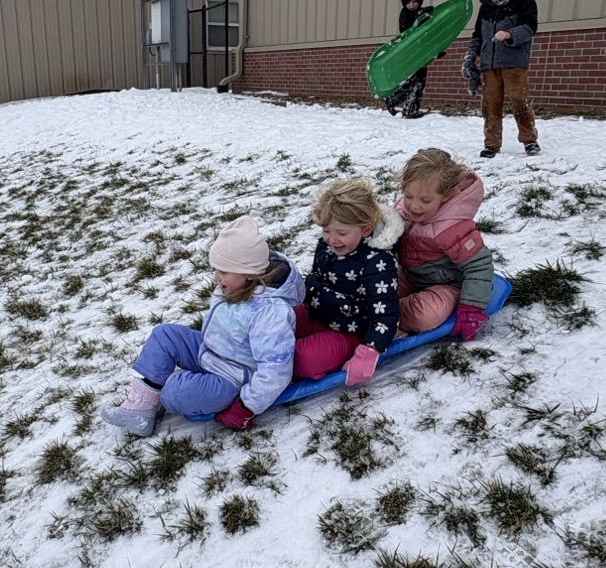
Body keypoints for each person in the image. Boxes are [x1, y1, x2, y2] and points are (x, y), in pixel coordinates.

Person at [100, 216, 305, 436]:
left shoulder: (270, 311)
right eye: (216, 269)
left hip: (232, 378)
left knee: (175, 392)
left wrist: (247, 406)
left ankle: (160, 391)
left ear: (249, 273)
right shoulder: (231, 287)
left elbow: (276, 369)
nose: (216, 277)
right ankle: (140, 409)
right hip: (211, 351)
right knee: (164, 335)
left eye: (223, 271)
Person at [294, 177, 404, 386]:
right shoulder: (328, 246)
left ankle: (269, 371)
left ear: (366, 230)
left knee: (304, 359)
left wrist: (368, 352)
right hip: (316, 313)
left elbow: (386, 315)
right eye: (326, 230)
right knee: (277, 323)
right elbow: (317, 278)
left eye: (341, 233)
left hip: (350, 331)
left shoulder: (378, 263)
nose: (332, 239)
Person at [395, 148, 494, 340]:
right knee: (369, 286)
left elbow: (479, 266)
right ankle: (368, 307)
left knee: (426, 316)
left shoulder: (453, 226)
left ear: (446, 196)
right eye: (408, 196)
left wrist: (471, 308)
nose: (414, 206)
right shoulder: (403, 211)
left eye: (425, 200)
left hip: (446, 285)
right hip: (410, 275)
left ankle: (384, 316)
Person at [461, 0, 540, 158]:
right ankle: (492, 142)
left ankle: (529, 139)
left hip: (514, 61)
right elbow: (478, 35)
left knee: (519, 100)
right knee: (490, 104)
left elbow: (530, 26)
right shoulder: (487, 5)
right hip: (489, 64)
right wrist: (471, 56)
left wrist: (511, 34)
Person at [385, 0, 444, 119]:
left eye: (415, 1)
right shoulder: (405, 15)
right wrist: (421, 15)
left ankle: (393, 100)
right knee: (416, 81)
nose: (412, 5)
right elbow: (410, 30)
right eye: (408, 2)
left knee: (417, 81)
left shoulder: (421, 14)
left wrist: (435, 51)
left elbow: (428, 35)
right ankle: (409, 109)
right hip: (410, 55)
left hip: (421, 53)